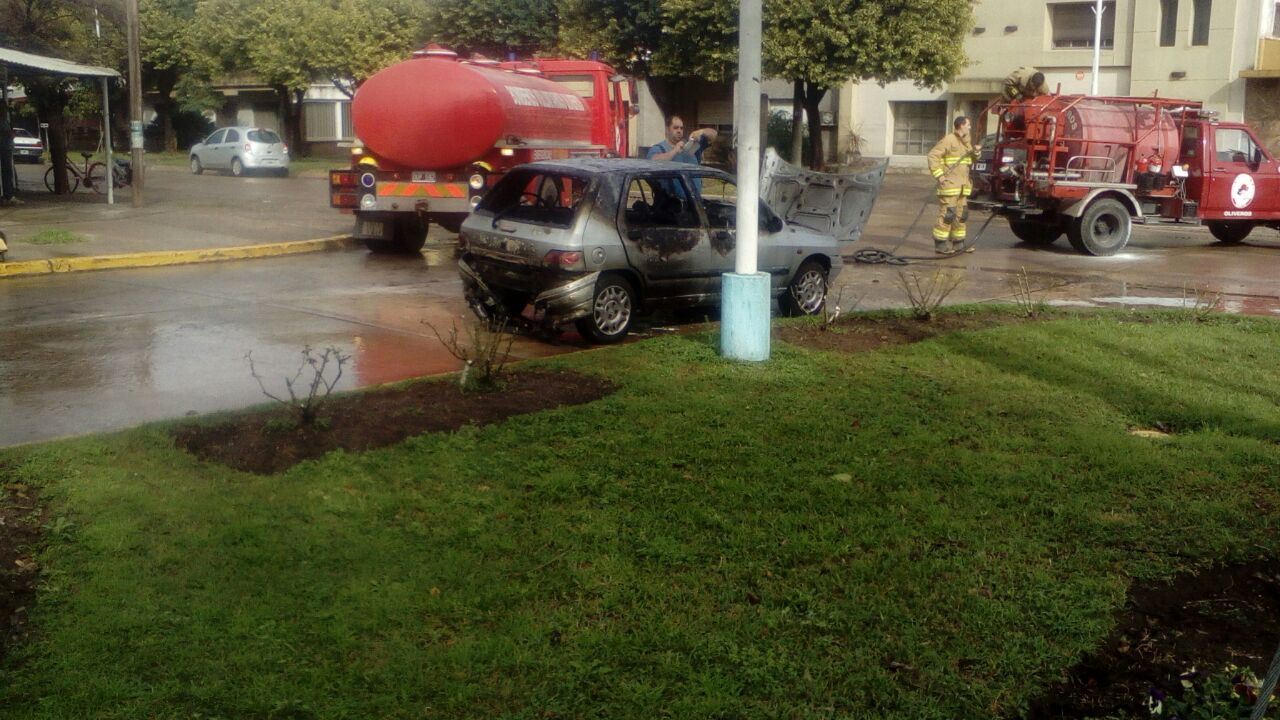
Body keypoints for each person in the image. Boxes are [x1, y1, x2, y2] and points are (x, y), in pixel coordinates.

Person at [926, 116, 977, 255]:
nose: (970, 127)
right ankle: (940, 245)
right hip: (949, 185)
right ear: (961, 125)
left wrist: (976, 151)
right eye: (968, 125)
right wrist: (939, 175)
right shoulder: (949, 140)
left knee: (961, 215)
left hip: (962, 186)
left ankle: (958, 244)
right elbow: (933, 156)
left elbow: (972, 158)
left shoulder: (965, 142)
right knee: (948, 215)